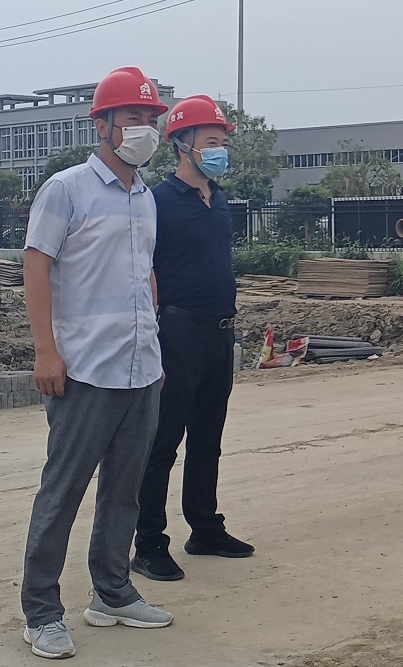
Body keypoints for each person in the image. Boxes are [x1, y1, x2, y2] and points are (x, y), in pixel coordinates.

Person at [20, 66, 173, 660]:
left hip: (140, 366)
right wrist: (45, 349)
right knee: (62, 491)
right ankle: (41, 612)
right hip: (84, 367)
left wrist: (153, 345)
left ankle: (112, 593)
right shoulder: (67, 189)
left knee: (124, 490)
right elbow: (37, 265)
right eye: (133, 117)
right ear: (102, 125)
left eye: (151, 118)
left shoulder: (145, 197)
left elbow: (145, 274)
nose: (144, 128)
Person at [132, 95, 253, 583]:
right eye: (211, 141)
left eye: (223, 142)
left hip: (218, 333)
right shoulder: (157, 202)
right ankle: (147, 543)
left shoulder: (217, 199)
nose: (220, 150)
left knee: (208, 438)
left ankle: (205, 528)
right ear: (183, 144)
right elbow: (142, 270)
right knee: (163, 442)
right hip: (176, 332)